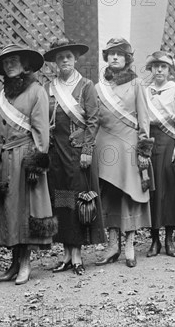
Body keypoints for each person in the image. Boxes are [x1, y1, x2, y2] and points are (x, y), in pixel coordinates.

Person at [0, 44, 56, 285]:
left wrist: (36, 163)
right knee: (8, 212)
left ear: (25, 64)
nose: (10, 65)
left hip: (24, 157)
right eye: (6, 62)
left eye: (14, 60)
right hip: (4, 158)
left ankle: (25, 262)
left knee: (25, 211)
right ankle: (13, 263)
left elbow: (41, 131)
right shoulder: (3, 94)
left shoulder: (37, 91)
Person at [43, 38, 105, 276]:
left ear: (75, 59)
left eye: (68, 56)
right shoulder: (50, 87)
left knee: (79, 201)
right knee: (63, 201)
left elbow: (93, 120)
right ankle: (67, 254)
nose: (64, 61)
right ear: (55, 63)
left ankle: (78, 255)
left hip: (78, 152)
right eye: (60, 58)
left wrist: (87, 150)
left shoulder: (86, 85)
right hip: (56, 152)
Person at [94, 38, 154, 268]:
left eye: (120, 54)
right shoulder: (99, 88)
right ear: (106, 58)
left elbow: (143, 118)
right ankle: (112, 246)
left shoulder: (137, 83)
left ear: (127, 59)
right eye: (111, 54)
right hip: (105, 148)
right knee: (108, 196)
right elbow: (94, 120)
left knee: (129, 196)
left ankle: (129, 245)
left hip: (129, 145)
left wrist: (143, 149)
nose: (115, 57)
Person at [144, 51, 175, 257]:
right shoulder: (145, 91)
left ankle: (169, 239)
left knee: (170, 190)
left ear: (169, 70)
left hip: (170, 143)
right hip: (151, 144)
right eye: (155, 67)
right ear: (151, 70)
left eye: (163, 67)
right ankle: (154, 240)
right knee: (153, 192)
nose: (159, 70)